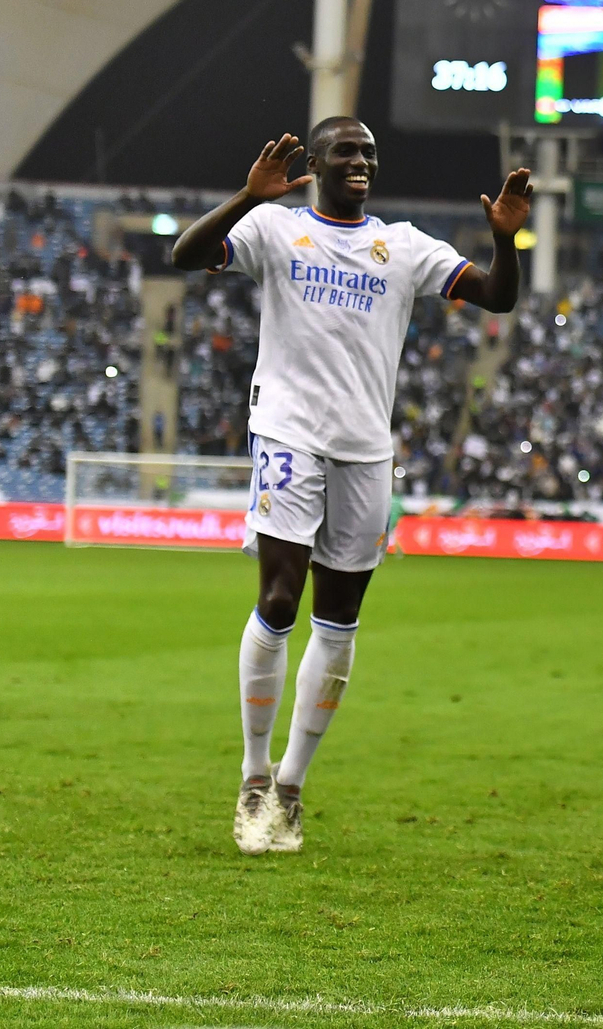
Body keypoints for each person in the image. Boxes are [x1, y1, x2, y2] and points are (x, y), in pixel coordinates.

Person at [171, 119, 532, 855]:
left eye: (368, 152)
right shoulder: (274, 229)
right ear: (320, 160)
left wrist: (504, 237)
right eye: (347, 151)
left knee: (339, 621)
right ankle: (251, 777)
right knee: (278, 600)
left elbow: (497, 297)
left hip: (366, 451)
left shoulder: (404, 246)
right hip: (288, 431)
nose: (362, 161)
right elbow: (186, 254)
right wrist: (247, 194)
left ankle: (293, 785)